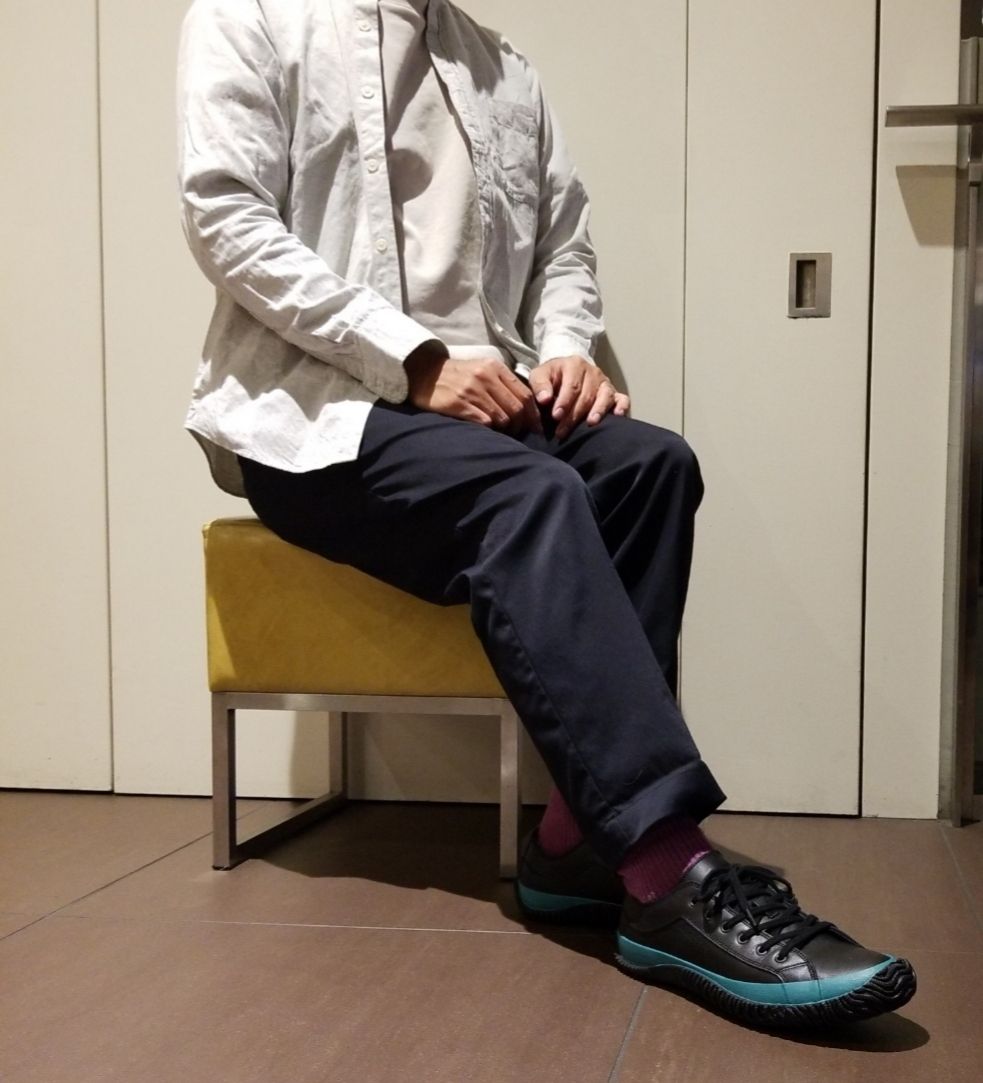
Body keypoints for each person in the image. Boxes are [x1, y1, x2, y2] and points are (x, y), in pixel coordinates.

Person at [176, 0, 916, 1028]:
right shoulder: (251, 16)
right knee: (529, 495)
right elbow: (225, 217)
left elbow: (563, 245)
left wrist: (565, 349)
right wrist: (414, 359)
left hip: (486, 406)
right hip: (316, 417)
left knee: (650, 465)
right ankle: (662, 870)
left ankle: (570, 844)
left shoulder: (501, 67)